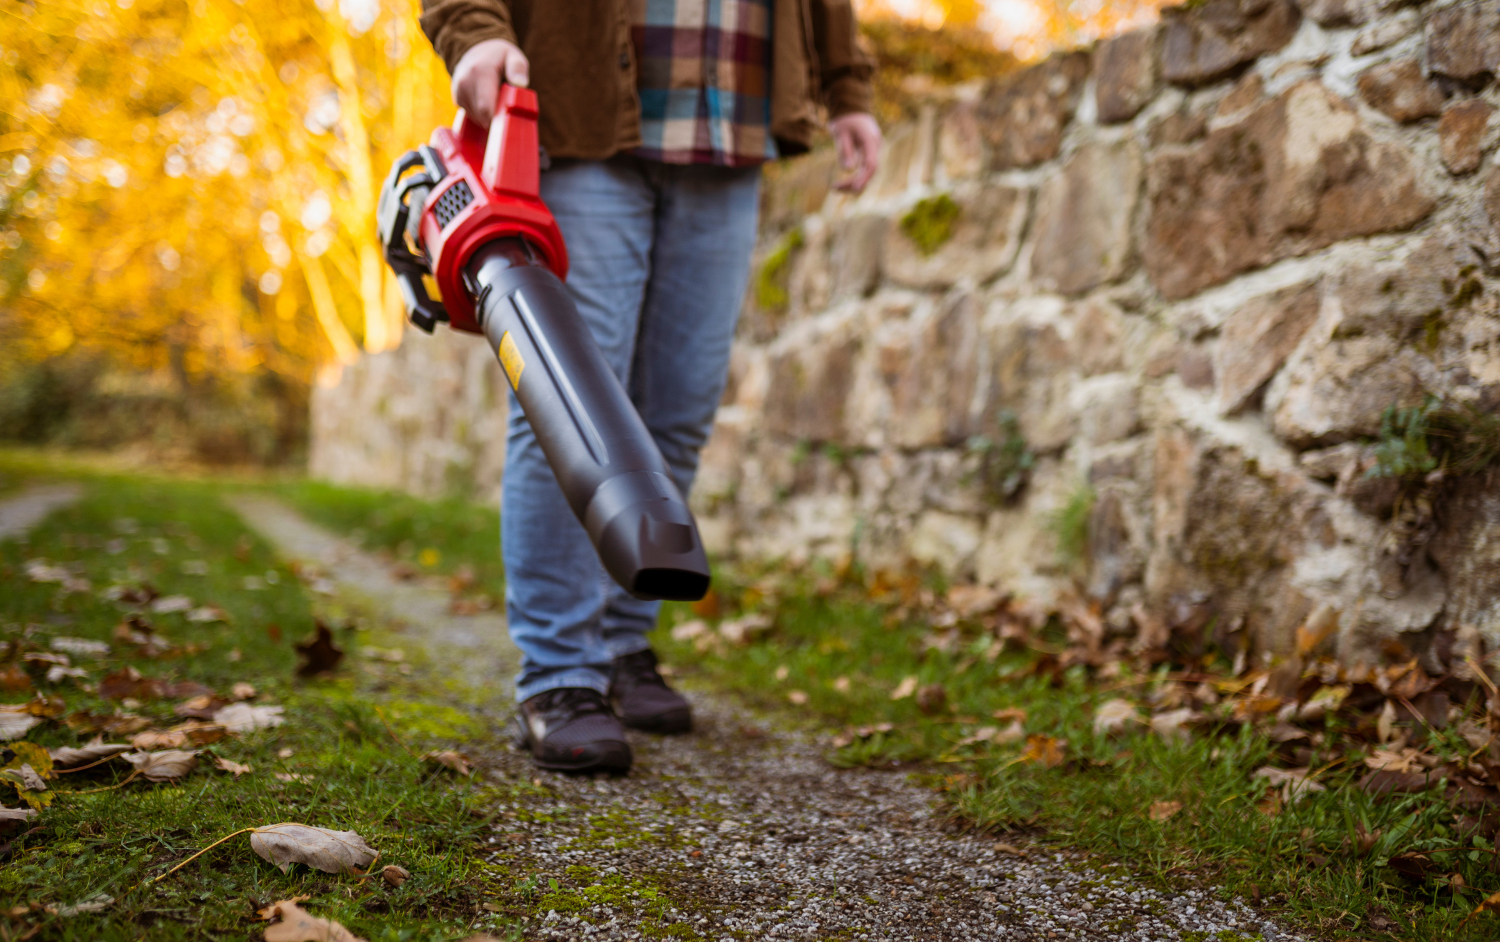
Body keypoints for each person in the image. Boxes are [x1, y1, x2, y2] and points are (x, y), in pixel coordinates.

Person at [418, 0, 881, 773]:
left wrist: (848, 89)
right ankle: (561, 675)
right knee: (568, 406)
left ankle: (625, 647)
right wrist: (475, 30)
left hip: (732, 127)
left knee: (680, 411)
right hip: (579, 117)